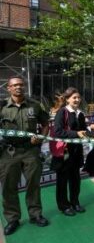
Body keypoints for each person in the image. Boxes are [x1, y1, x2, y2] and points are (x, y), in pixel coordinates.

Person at [0, 76, 50, 236]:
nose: (18, 87)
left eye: (21, 84)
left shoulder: (35, 105)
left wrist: (40, 138)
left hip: (31, 151)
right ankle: (12, 219)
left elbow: (45, 124)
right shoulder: (1, 106)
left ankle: (35, 215)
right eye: (14, 85)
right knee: (9, 187)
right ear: (8, 88)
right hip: (9, 152)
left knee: (33, 185)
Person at [52, 87, 92, 215]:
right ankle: (64, 206)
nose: (77, 100)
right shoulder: (62, 112)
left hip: (76, 152)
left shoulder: (80, 113)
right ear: (67, 99)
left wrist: (93, 135)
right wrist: (76, 133)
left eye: (78, 97)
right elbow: (58, 132)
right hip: (64, 153)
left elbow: (84, 130)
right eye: (74, 97)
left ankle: (75, 202)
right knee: (62, 181)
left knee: (76, 180)